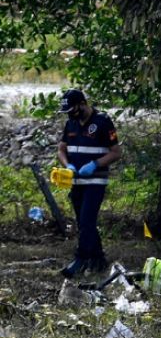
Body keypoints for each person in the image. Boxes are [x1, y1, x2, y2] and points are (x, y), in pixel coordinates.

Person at [56, 89, 122, 278]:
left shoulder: (102, 121)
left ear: (82, 104)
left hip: (95, 180)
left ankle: (81, 259)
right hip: (77, 181)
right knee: (84, 222)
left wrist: (95, 164)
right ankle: (98, 259)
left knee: (86, 220)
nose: (70, 114)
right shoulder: (71, 123)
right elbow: (61, 149)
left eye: (73, 110)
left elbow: (116, 152)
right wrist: (67, 165)